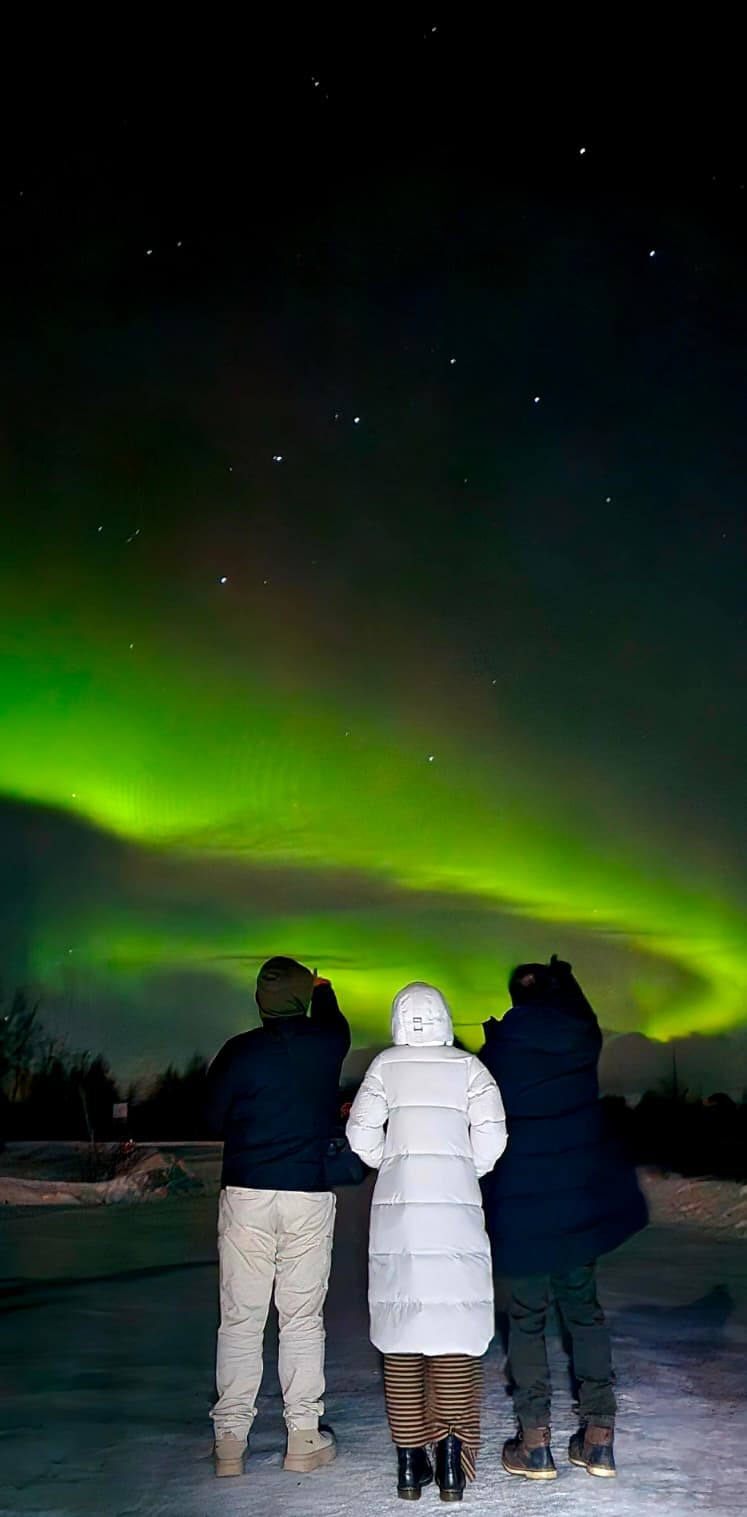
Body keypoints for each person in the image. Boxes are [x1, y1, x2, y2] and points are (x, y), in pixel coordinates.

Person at [480, 955, 648, 1481]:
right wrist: (567, 978)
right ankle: (599, 1437)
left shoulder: (498, 1051)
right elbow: (583, 1013)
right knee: (584, 1312)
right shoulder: (580, 1040)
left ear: (516, 999)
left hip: (523, 1207)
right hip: (577, 1207)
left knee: (526, 1320)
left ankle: (534, 1444)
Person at [346, 982, 507, 1502]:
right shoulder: (470, 1069)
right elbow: (493, 1138)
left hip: (400, 1219)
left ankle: (410, 1465)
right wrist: (464, 1168)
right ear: (444, 1018)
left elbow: (360, 1137)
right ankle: (453, 1465)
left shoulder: (384, 1067)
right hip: (456, 1216)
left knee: (402, 1335)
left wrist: (392, 1162)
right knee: (455, 1332)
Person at [205, 956, 350, 1478]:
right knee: (301, 1318)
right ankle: (303, 1436)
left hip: (246, 1191)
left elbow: (209, 1114)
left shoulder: (239, 1052)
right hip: (307, 1194)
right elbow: (333, 1016)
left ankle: (230, 1442)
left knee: (241, 1318)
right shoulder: (327, 1043)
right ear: (304, 998)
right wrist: (323, 986)